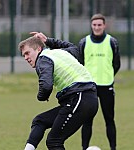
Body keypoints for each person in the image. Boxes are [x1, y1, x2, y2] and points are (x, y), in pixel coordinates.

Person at [31, 13, 121, 150]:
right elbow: (77, 60)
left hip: (106, 85)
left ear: (104, 25)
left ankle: (113, 148)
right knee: (86, 121)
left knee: (109, 119)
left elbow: (116, 63)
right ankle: (85, 147)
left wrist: (109, 76)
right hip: (86, 86)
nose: (97, 27)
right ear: (91, 26)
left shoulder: (112, 42)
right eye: (94, 25)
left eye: (99, 25)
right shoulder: (84, 42)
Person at [18, 36, 98, 150]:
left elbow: (46, 86)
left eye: (27, 53)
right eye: (24, 55)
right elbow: (74, 49)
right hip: (85, 98)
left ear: (39, 49)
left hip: (79, 97)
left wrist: (41, 96)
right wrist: (49, 41)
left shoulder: (43, 59)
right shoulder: (59, 52)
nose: (26, 58)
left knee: (54, 141)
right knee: (40, 121)